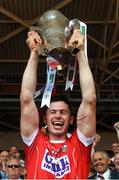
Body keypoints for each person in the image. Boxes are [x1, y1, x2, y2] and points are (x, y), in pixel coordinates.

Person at [20, 28, 96, 179]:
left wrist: (79, 51)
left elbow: (90, 99)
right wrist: (34, 52)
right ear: (44, 119)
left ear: (72, 119)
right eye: (52, 112)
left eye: (63, 112)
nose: (58, 116)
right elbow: (26, 99)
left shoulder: (80, 145)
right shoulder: (34, 142)